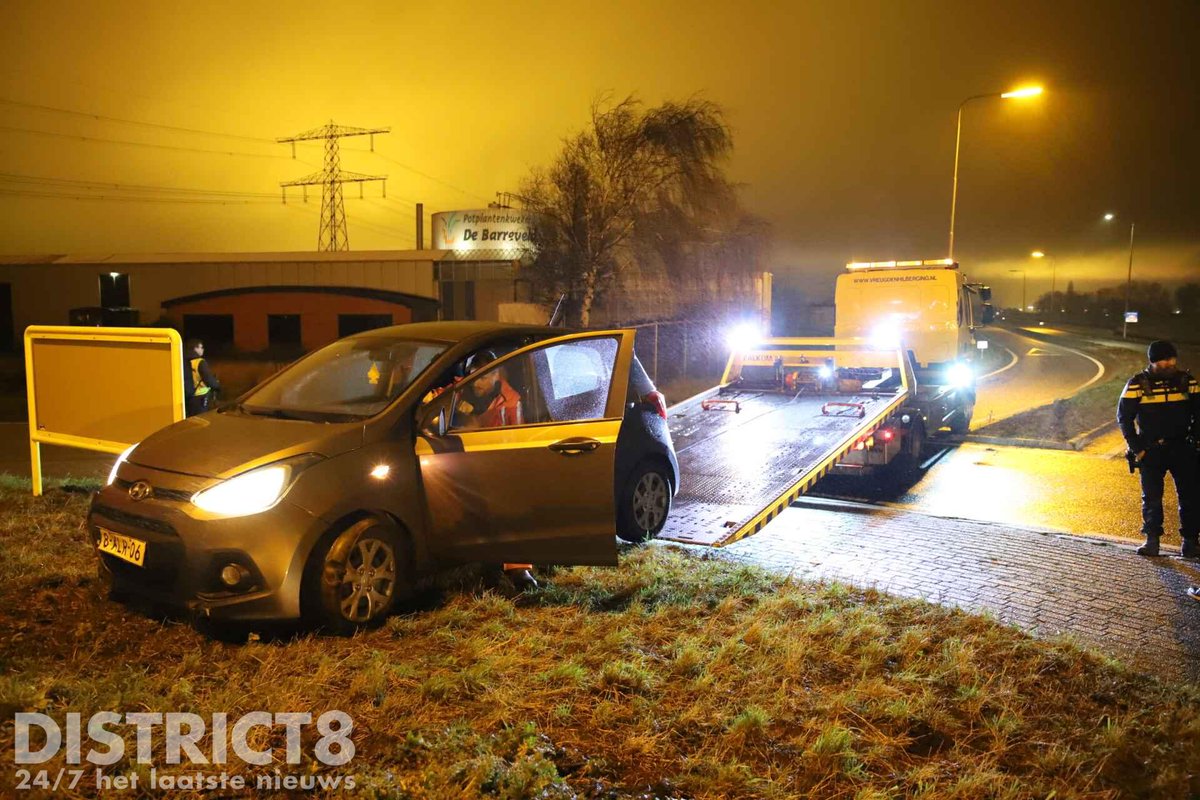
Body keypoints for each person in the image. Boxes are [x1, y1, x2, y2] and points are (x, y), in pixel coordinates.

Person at [1117, 340, 1199, 558]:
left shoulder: (1186, 381)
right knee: (1152, 498)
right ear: (1153, 361)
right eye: (1164, 360)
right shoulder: (1136, 384)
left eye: (1172, 359)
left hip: (1182, 448)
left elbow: (1199, 414)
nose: (1169, 363)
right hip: (1150, 450)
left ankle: (1190, 542)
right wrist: (1137, 449)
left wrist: (1195, 442)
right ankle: (1152, 541)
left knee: (1190, 497)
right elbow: (1124, 418)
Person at [183, 338, 222, 417]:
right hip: (200, 398)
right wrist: (218, 386)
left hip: (187, 396)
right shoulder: (199, 362)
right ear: (195, 348)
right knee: (201, 420)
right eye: (201, 347)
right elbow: (209, 381)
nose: (202, 350)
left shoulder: (183, 360)